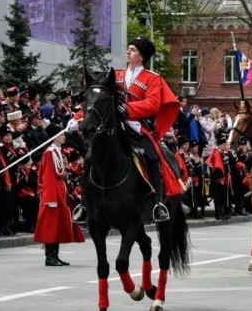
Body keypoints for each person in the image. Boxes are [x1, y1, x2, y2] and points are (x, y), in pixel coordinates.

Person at [71, 36, 182, 223]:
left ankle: (158, 203)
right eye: (128, 48)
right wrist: (77, 118)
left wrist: (127, 109)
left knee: (152, 155)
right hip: (113, 126)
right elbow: (98, 102)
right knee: (91, 156)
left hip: (136, 127)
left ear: (142, 56)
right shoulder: (117, 75)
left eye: (133, 50)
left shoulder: (152, 79)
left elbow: (153, 104)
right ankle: (84, 203)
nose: (128, 52)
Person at [34, 123, 84, 266]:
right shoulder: (49, 152)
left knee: (58, 224)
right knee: (51, 225)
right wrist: (50, 198)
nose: (63, 137)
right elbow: (48, 176)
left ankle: (54, 255)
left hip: (60, 190)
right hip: (53, 193)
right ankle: (50, 256)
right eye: (61, 134)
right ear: (54, 137)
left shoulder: (57, 151)